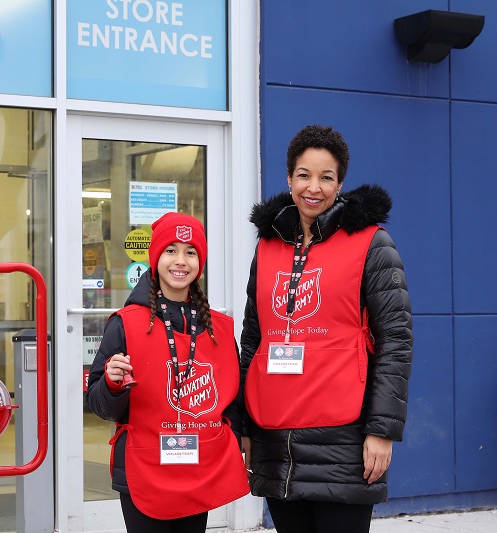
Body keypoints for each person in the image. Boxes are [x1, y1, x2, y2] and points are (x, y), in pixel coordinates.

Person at [240, 125, 413, 533]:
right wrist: (245, 425)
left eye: (326, 177)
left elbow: (396, 340)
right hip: (276, 437)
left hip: (343, 440)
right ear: (289, 178)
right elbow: (253, 339)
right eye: (304, 175)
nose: (313, 187)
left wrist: (381, 430)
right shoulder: (267, 247)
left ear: (341, 183)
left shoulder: (372, 243)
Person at [86, 212, 249, 532]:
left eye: (190, 252)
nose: (181, 260)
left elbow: (231, 394)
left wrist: (239, 435)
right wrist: (112, 384)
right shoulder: (125, 323)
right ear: (155, 257)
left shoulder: (218, 328)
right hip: (143, 466)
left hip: (197, 466)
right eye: (171, 250)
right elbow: (98, 403)